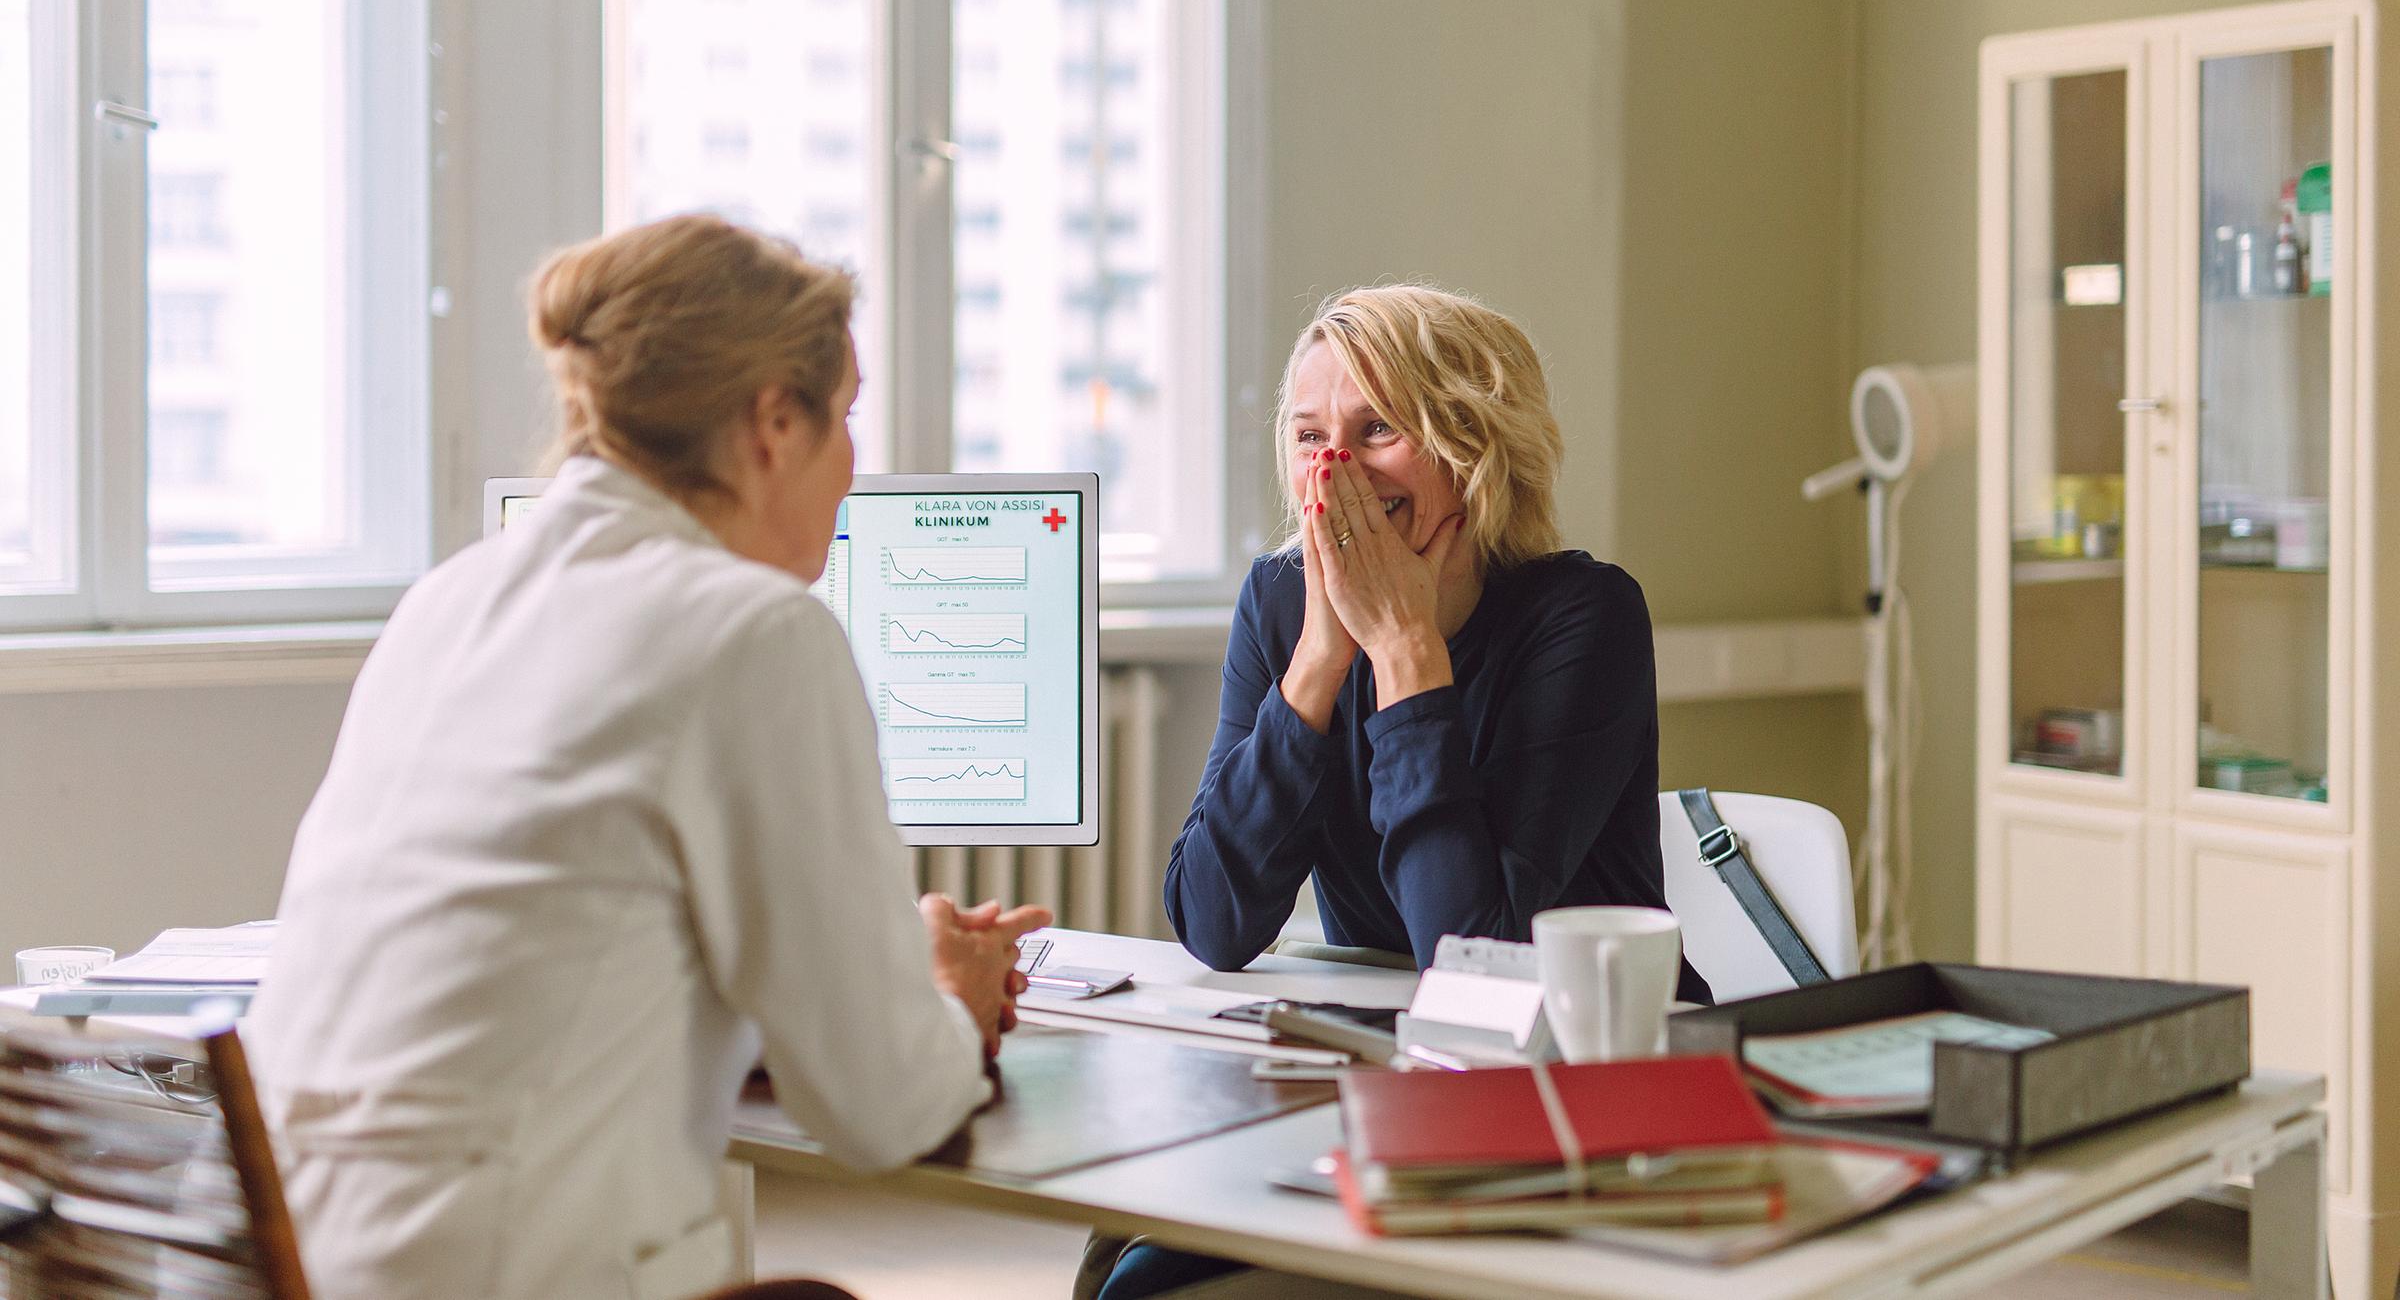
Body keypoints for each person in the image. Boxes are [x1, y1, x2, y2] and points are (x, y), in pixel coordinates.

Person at [244, 214, 1049, 1299]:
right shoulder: (753, 632)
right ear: (773, 423)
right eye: (846, 415)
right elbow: (883, 1110)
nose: (855, 469)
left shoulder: (448, 601)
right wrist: (949, 990)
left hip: (297, 1263)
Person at [1102, 287, 1711, 1299]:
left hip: (1572, 1098)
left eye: (1376, 429)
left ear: (1471, 448)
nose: (1334, 467)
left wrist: (1405, 649)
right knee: (1126, 1257)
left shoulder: (1585, 618)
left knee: (1151, 1286)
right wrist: (1318, 660)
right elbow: (1211, 919)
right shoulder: (1278, 601)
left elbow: (1475, 959)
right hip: (1392, 1080)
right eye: (1309, 435)